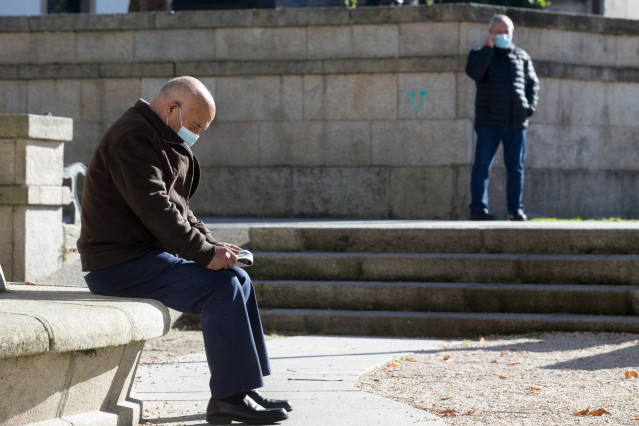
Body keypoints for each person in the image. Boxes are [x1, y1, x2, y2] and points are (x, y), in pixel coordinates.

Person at [77, 76, 291, 425]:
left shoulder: (159, 136)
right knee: (221, 288)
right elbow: (157, 210)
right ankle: (227, 398)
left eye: (202, 129)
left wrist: (213, 246)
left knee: (237, 278)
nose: (196, 135)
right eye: (194, 126)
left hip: (145, 257)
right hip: (118, 265)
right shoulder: (132, 137)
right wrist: (204, 254)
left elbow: (181, 209)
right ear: (171, 107)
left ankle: (243, 388)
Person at [466, 14, 540, 221]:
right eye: (498, 32)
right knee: (482, 166)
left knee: (516, 168)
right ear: (490, 33)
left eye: (506, 32)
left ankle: (516, 210)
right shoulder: (479, 54)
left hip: (516, 121)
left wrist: (528, 107)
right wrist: (488, 49)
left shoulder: (521, 56)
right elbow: (474, 72)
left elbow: (533, 83)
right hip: (489, 120)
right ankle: (478, 209)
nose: (503, 36)